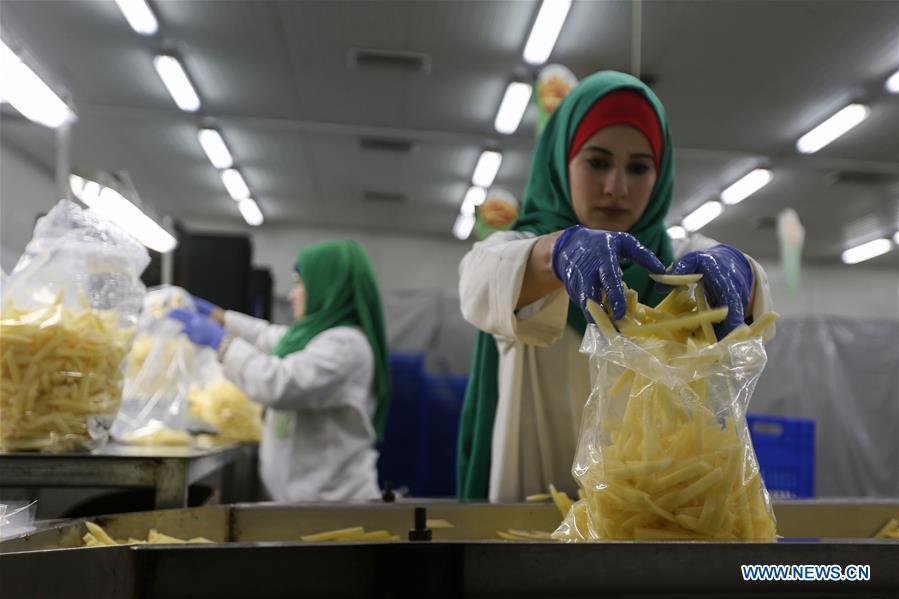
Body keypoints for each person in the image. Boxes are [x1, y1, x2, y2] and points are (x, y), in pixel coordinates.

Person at [457, 71, 774, 502]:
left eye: (639, 168)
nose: (616, 188)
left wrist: (741, 274)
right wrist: (557, 253)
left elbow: (756, 299)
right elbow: (478, 281)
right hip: (532, 519)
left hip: (655, 521)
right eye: (598, 162)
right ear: (562, 161)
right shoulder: (518, 252)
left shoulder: (678, 263)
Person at [169, 240, 390, 502]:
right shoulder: (319, 337)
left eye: (299, 283)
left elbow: (277, 383)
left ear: (328, 287)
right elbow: (268, 337)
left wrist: (222, 342)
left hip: (334, 504)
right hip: (304, 501)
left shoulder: (347, 346)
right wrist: (222, 318)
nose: (291, 295)